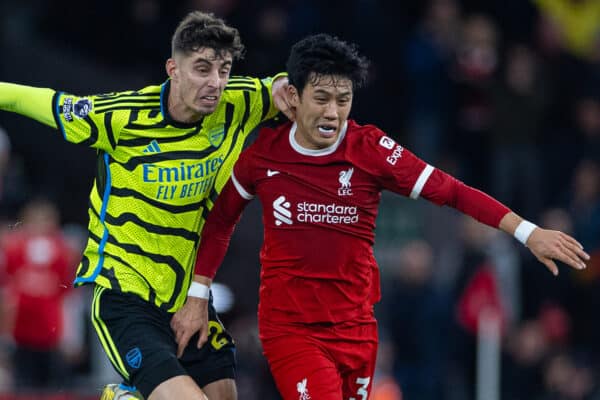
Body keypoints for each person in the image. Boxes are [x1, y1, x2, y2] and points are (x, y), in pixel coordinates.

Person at [189, 33, 590, 400]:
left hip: (357, 329)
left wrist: (528, 232)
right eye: (321, 98)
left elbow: (451, 191)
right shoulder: (264, 156)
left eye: (343, 100)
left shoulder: (370, 150)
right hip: (292, 330)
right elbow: (221, 221)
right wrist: (197, 296)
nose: (333, 112)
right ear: (293, 96)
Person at [0, 11, 292, 400]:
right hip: (126, 298)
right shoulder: (123, 116)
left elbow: (285, 89)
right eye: (202, 69)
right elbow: (50, 103)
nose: (215, 83)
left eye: (223, 70)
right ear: (173, 68)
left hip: (189, 300)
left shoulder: (238, 102)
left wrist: (304, 87)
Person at [0, 198, 74, 390]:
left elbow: (68, 292)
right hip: (21, 330)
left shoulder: (62, 251)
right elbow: (6, 287)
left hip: (50, 330)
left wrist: (70, 336)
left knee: (53, 384)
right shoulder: (13, 249)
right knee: (24, 383)